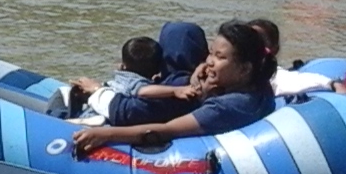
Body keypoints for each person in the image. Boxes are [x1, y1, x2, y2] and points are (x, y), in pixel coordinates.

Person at [70, 22, 278, 156]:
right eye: (210, 53)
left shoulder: (227, 106)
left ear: (244, 68)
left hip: (141, 113)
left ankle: (103, 96)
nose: (210, 62)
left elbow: (164, 131)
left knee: (178, 33)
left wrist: (106, 135)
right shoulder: (259, 83)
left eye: (220, 57)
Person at [64, 35, 167, 121]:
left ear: (123, 65)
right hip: (102, 116)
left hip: (92, 116)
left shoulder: (128, 80)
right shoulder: (146, 86)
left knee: (62, 94)